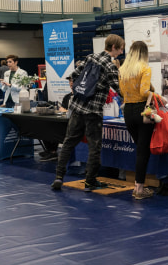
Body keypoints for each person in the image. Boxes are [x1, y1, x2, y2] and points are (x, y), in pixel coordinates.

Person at [51, 34, 124, 191]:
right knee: (94, 147)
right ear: (113, 47)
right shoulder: (110, 66)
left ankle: (58, 177)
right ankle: (90, 181)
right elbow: (119, 89)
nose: (121, 52)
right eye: (120, 49)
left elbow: (74, 76)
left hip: (77, 107)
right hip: (93, 112)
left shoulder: (90, 57)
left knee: (68, 142)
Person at [119, 41, 161, 199]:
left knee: (139, 149)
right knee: (143, 152)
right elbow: (144, 92)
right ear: (144, 53)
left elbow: (122, 92)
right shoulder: (145, 68)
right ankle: (139, 188)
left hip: (128, 111)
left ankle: (138, 186)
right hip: (142, 111)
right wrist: (157, 95)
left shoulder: (123, 70)